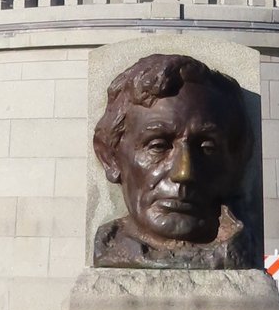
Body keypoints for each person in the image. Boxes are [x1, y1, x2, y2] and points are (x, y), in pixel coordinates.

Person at [90, 53, 251, 267]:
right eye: (158, 146)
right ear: (110, 158)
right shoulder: (110, 246)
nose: (184, 173)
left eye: (207, 148)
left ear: (236, 159)